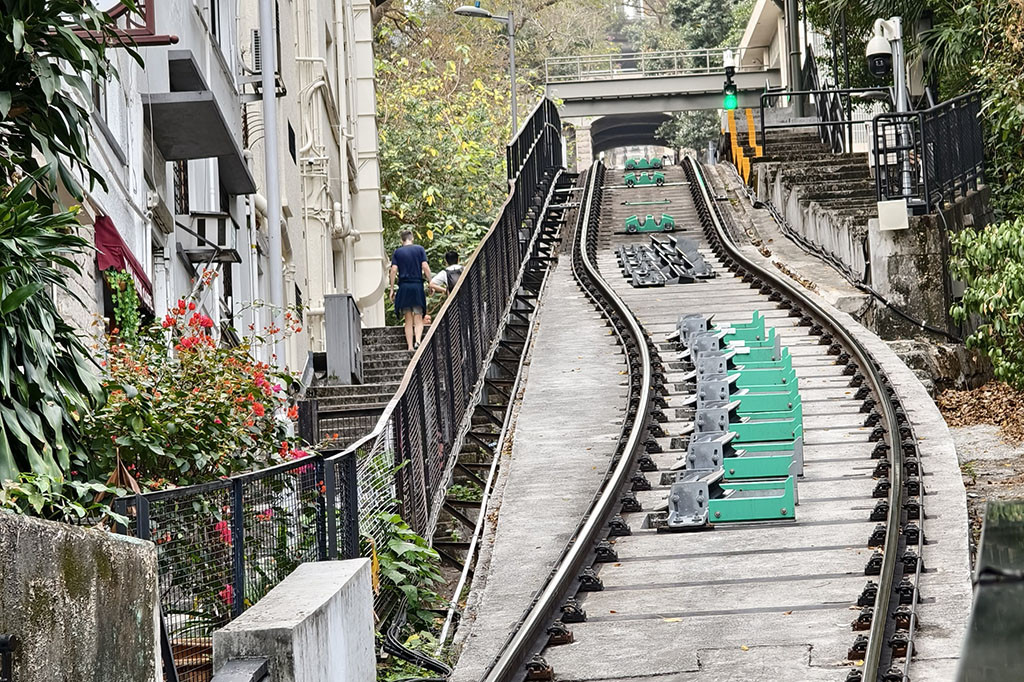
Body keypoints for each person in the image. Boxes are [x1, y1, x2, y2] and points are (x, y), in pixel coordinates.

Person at [389, 230, 431, 351]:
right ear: (412, 238)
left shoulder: (398, 252)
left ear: (401, 240)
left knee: (408, 319)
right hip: (417, 286)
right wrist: (430, 282)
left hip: (404, 287)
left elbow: (393, 270)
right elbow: (425, 266)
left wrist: (392, 289)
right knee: (418, 316)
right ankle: (418, 341)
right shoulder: (420, 249)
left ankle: (410, 347)